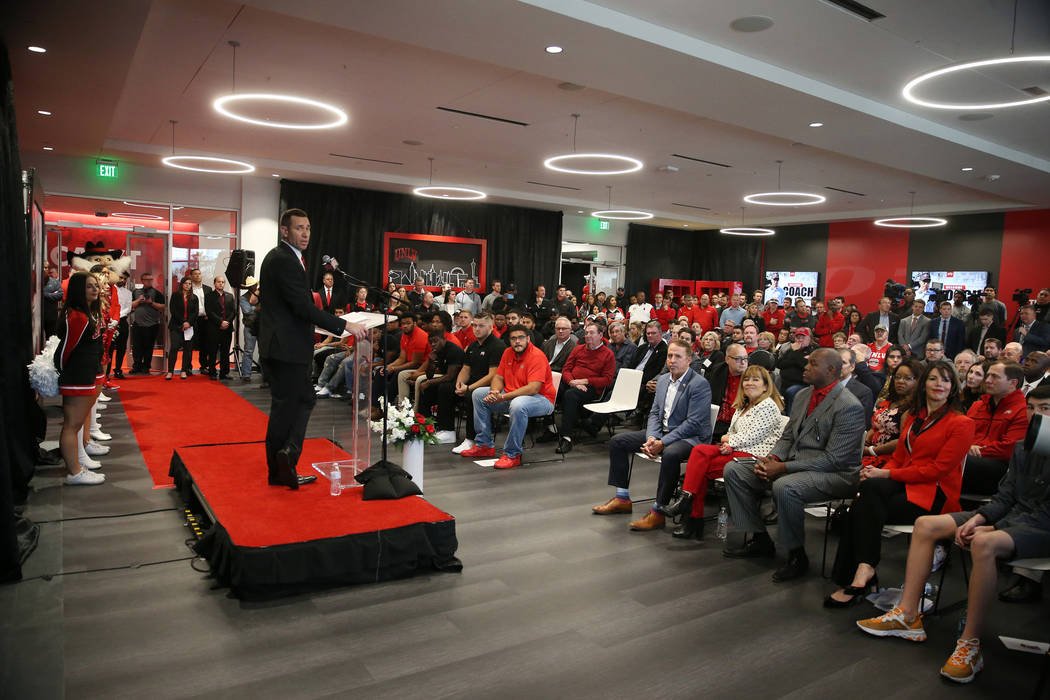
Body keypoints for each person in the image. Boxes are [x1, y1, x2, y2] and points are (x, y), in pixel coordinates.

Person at [855, 389, 1050, 683]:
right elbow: (1005, 495)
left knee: (983, 542)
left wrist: (994, 527)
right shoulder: (1025, 447)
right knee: (925, 525)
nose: (1039, 416)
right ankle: (909, 614)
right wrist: (983, 517)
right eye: (1033, 409)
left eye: (1046, 408)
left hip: (1041, 526)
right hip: (1013, 517)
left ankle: (970, 643)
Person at [827, 360, 973, 607]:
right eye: (933, 378)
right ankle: (864, 569)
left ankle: (860, 573)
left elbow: (936, 471)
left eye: (946, 380)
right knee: (868, 490)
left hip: (935, 495)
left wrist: (887, 476)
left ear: (954, 387)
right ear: (924, 383)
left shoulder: (962, 423)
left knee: (864, 503)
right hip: (907, 485)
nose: (939, 385)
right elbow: (899, 458)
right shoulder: (916, 417)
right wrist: (877, 471)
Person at [723, 348, 866, 582]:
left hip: (836, 474)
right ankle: (760, 539)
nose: (805, 367)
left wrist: (783, 468)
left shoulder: (849, 406)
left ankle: (796, 555)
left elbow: (834, 460)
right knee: (736, 470)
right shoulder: (801, 396)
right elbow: (788, 437)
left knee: (785, 486)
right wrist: (774, 459)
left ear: (831, 370)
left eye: (812, 364)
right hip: (795, 464)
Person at [258, 208, 365, 489]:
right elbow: (302, 307)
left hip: (283, 345)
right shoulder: (284, 259)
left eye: (308, 228)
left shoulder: (285, 258)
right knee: (294, 404)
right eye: (298, 228)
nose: (305, 234)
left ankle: (284, 462)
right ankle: (285, 459)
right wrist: (345, 325)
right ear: (285, 231)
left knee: (295, 402)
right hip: (287, 348)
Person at [592, 339, 712, 530]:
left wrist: (662, 442)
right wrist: (651, 437)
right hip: (663, 433)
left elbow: (693, 423)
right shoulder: (663, 380)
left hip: (691, 437)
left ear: (689, 359)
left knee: (671, 454)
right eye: (670, 355)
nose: (672, 360)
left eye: (678, 356)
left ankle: (659, 511)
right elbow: (655, 413)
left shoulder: (699, 384)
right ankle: (622, 497)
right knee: (618, 441)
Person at [659, 365, 785, 539]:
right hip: (737, 450)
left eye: (756, 379)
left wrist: (728, 442)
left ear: (766, 385)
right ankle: (687, 508)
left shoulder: (768, 405)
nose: (749, 383)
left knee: (699, 469)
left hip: (754, 456)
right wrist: (729, 441)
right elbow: (733, 434)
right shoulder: (743, 406)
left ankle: (691, 516)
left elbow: (752, 437)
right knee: (699, 450)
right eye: (746, 379)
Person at [461, 325, 556, 469]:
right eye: (513, 338)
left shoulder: (537, 356)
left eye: (521, 338)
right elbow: (498, 377)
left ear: (528, 339)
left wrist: (503, 397)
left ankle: (512, 454)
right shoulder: (507, 353)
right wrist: (494, 392)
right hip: (512, 396)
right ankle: (484, 445)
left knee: (518, 404)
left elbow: (533, 388)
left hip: (541, 399)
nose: (517, 341)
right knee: (478, 394)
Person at [55, 272, 106, 486]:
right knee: (72, 425)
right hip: (77, 376)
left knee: (75, 424)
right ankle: (75, 472)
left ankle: (78, 465)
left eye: (96, 286)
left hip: (85, 374)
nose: (95, 289)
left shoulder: (86, 313)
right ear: (78, 289)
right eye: (89, 286)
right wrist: (60, 372)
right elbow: (65, 350)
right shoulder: (77, 316)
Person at [543, 322, 615, 453]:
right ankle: (550, 427)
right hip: (572, 383)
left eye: (591, 333)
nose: (587, 335)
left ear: (600, 335)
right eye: (586, 333)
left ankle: (567, 437)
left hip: (591, 389)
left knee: (570, 395)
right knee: (550, 388)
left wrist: (585, 381)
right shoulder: (578, 349)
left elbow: (607, 380)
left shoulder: (608, 354)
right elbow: (566, 369)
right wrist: (572, 381)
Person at [962, 361, 1028, 494]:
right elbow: (961, 434)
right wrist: (967, 447)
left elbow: (1009, 449)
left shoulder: (1023, 410)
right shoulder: (978, 406)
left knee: (956, 460)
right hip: (969, 457)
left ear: (1013, 383)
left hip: (998, 467)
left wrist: (977, 451)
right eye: (988, 376)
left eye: (995, 377)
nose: (987, 380)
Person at [862, 359, 922, 466]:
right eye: (897, 377)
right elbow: (875, 427)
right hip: (869, 451)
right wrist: (864, 444)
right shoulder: (889, 401)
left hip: (890, 458)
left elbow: (903, 441)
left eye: (907, 378)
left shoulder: (915, 408)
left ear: (919, 381)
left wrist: (871, 450)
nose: (900, 381)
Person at [415, 330, 465, 425]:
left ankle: (441, 425)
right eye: (431, 342)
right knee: (425, 388)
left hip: (459, 381)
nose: (433, 344)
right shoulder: (436, 351)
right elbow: (430, 375)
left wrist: (429, 382)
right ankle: (424, 423)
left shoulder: (453, 350)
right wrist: (430, 361)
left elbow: (450, 377)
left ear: (443, 339)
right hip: (446, 378)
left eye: (435, 341)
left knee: (438, 387)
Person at [707, 343, 749, 442]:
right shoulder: (718, 371)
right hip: (719, 422)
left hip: (740, 426)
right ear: (727, 359)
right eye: (738, 359)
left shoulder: (752, 377)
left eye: (746, 358)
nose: (743, 362)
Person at [129, 272, 164, 375]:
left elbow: (163, 307)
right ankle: (137, 366)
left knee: (148, 347)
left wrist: (151, 303)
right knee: (136, 347)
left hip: (152, 325)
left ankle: (146, 367)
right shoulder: (136, 292)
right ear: (142, 280)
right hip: (138, 324)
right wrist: (138, 300)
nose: (149, 281)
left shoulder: (157, 293)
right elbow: (130, 306)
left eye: (150, 279)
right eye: (146, 279)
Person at [204, 275, 236, 380]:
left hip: (227, 327)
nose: (221, 284)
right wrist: (220, 322)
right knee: (212, 351)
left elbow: (233, 312)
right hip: (214, 327)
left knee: (225, 351)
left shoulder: (230, 296)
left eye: (222, 282)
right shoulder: (209, 296)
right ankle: (212, 372)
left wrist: (227, 322)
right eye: (219, 282)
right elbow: (209, 312)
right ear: (214, 283)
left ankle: (224, 373)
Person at [776, 327, 814, 412]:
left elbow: (805, 365)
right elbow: (780, 364)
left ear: (809, 339)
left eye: (803, 337)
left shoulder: (813, 351)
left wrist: (795, 354)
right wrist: (795, 355)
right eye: (798, 337)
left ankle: (791, 419)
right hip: (784, 383)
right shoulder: (791, 350)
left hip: (802, 385)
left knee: (791, 391)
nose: (800, 340)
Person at [166, 277, 197, 380]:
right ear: (182, 284)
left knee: (187, 349)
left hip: (189, 327)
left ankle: (183, 370)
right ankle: (170, 371)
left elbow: (195, 313)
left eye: (190, 283)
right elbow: (173, 310)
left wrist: (188, 322)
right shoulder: (175, 295)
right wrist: (183, 322)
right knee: (174, 347)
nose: (188, 285)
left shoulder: (194, 297)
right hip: (176, 325)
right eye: (186, 283)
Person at [188, 268, 211, 372]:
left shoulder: (208, 289)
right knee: (189, 343)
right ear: (191, 276)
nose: (198, 276)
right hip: (191, 320)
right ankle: (188, 367)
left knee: (205, 344)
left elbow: (211, 304)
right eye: (195, 274)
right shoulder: (188, 289)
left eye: (199, 274)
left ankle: (204, 366)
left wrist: (209, 315)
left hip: (205, 319)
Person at [239, 278, 261, 381]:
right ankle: (246, 374)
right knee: (248, 351)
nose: (253, 287)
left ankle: (263, 373)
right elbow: (247, 310)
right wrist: (259, 308)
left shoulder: (245, 298)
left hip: (259, 326)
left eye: (254, 285)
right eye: (251, 285)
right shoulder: (243, 298)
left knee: (262, 351)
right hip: (250, 326)